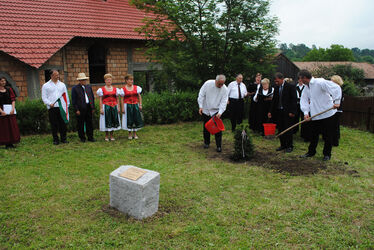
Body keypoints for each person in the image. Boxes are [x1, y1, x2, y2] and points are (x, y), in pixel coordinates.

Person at [299, 70, 342, 161]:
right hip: (315, 115)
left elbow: (336, 88)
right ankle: (311, 152)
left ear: (304, 78)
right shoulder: (306, 88)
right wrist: (306, 113)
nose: (300, 81)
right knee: (313, 135)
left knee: (327, 136)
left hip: (327, 114)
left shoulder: (320, 82)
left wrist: (337, 101)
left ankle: (327, 154)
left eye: (301, 79)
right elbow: (304, 100)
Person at [198, 75, 228, 152]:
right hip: (206, 108)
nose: (221, 86)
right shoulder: (208, 84)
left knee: (218, 129)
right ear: (216, 81)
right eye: (219, 84)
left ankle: (218, 146)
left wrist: (220, 112)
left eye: (222, 84)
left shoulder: (225, 89)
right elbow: (201, 95)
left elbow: (224, 102)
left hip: (216, 111)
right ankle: (206, 143)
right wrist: (200, 106)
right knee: (206, 127)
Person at [269, 72, 297, 153]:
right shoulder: (277, 88)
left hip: (288, 112)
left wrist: (292, 111)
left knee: (288, 129)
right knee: (281, 128)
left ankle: (289, 146)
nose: (276, 83)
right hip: (279, 111)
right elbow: (274, 100)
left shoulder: (290, 87)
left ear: (282, 79)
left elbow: (294, 100)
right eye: (275, 81)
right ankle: (283, 145)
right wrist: (270, 111)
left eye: (277, 81)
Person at [42, 70, 70, 145]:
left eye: (58, 74)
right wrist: (49, 103)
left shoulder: (62, 85)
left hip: (62, 107)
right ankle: (55, 139)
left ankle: (63, 138)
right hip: (52, 107)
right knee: (54, 124)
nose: (58, 76)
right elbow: (44, 97)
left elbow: (65, 95)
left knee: (63, 123)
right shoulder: (46, 85)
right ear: (51, 76)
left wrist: (67, 105)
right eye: (56, 75)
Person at [71, 72, 96, 143]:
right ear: (79, 81)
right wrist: (76, 109)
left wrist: (92, 107)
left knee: (89, 123)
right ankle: (82, 137)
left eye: (85, 80)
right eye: (83, 80)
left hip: (88, 107)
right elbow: (74, 100)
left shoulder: (89, 87)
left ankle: (90, 137)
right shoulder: (75, 88)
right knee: (80, 123)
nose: (84, 81)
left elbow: (92, 98)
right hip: (81, 108)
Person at [96, 74, 121, 141]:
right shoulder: (102, 89)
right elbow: (100, 99)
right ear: (105, 81)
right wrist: (101, 108)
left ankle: (112, 135)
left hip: (114, 106)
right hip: (106, 106)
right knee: (106, 120)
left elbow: (117, 98)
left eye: (110, 80)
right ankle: (106, 135)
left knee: (113, 120)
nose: (109, 81)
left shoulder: (115, 89)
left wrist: (118, 107)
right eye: (107, 80)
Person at [120, 74, 144, 139]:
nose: (131, 81)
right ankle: (130, 133)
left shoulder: (137, 88)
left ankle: (135, 133)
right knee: (129, 119)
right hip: (127, 105)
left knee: (135, 119)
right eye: (130, 80)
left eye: (132, 80)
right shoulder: (123, 89)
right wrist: (122, 108)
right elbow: (122, 99)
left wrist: (140, 104)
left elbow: (139, 96)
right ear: (126, 80)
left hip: (135, 105)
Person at [0, 77, 20, 149]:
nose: (3, 82)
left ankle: (11, 142)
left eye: (4, 81)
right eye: (2, 81)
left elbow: (13, 99)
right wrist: (1, 111)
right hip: (2, 111)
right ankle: (6, 142)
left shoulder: (9, 89)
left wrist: (13, 108)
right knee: (4, 128)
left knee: (12, 126)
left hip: (10, 110)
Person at [330, 75, 344, 147]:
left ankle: (335, 141)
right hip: (336, 110)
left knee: (334, 126)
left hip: (336, 110)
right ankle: (334, 139)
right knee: (334, 126)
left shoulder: (338, 89)